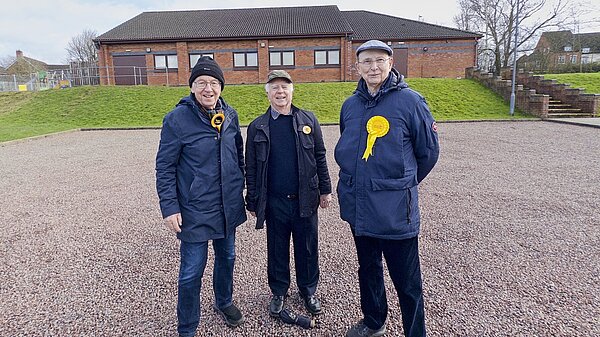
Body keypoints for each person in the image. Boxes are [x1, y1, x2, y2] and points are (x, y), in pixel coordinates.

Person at [335, 40, 440, 337]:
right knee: (368, 271)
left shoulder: (411, 102)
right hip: (360, 208)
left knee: (407, 282)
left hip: (395, 211)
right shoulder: (350, 105)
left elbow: (428, 152)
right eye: (367, 61)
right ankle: (373, 320)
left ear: (391, 64)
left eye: (380, 60)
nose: (373, 67)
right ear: (357, 67)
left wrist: (403, 183)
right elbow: (351, 147)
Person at [155, 56, 247, 337]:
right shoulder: (176, 119)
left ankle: (224, 301)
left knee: (227, 258)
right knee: (191, 271)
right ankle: (187, 326)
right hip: (194, 209)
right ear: (192, 87)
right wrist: (170, 208)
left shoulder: (230, 115)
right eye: (202, 82)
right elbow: (165, 166)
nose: (209, 88)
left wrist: (240, 187)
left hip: (226, 207)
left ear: (221, 87)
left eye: (214, 82)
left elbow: (238, 156)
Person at [245, 70, 332, 318]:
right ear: (268, 92)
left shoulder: (308, 120)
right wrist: (252, 200)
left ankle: (308, 290)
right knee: (277, 249)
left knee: (307, 247)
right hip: (274, 202)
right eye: (275, 88)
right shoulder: (257, 126)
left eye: (284, 87)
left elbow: (319, 156)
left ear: (292, 90)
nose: (280, 92)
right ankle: (279, 291)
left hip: (305, 198)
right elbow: (251, 166)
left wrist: (325, 189)